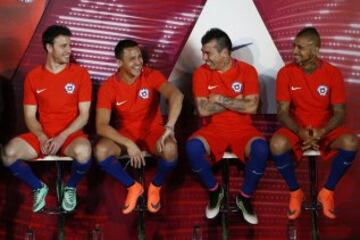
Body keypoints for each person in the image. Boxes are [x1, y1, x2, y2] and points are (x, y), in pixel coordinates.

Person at [1, 25, 93, 212]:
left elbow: (84, 116)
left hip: (70, 135)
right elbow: (29, 116)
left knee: (84, 151)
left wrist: (61, 137)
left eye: (70, 45)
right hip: (42, 134)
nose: (69, 50)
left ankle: (71, 187)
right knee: (7, 153)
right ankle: (38, 187)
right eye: (63, 46)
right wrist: (42, 137)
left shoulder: (80, 73)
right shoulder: (33, 77)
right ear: (49, 47)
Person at [270, 27, 358, 220]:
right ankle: (295, 192)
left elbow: (340, 113)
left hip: (324, 129)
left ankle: (327, 191)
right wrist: (301, 131)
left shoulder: (332, 73)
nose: (294, 51)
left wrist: (321, 131)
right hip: (296, 127)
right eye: (294, 46)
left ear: (316, 49)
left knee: (351, 142)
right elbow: (283, 113)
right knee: (276, 144)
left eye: (300, 48)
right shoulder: (285, 73)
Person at [185, 28, 269, 224]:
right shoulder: (201, 73)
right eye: (202, 52)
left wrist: (221, 99)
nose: (204, 58)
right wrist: (236, 102)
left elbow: (252, 107)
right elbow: (203, 110)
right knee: (192, 148)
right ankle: (216, 191)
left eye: (208, 53)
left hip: (244, 129)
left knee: (261, 149)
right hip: (213, 129)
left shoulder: (247, 71)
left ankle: (244, 197)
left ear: (224, 53)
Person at [95, 39, 183, 214]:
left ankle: (155, 186)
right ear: (119, 62)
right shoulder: (108, 86)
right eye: (132, 59)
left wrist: (170, 127)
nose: (138, 62)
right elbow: (101, 126)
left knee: (171, 149)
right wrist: (128, 143)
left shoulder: (151, 75)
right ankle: (132, 186)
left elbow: (176, 95)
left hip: (153, 131)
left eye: (139, 57)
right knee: (100, 151)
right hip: (126, 134)